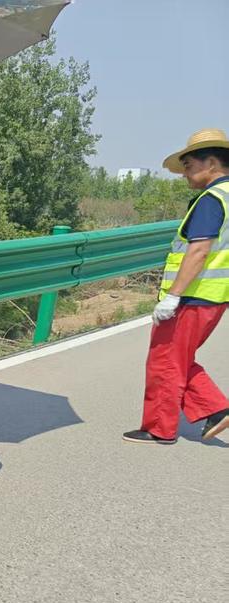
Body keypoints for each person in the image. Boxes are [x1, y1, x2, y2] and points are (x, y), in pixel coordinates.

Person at [123, 128, 229, 444]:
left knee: (165, 359)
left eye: (188, 165)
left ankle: (160, 428)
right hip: (215, 295)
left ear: (211, 163)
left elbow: (198, 251)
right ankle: (215, 410)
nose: (184, 173)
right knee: (177, 358)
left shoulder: (211, 200)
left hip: (194, 295)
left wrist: (173, 296)